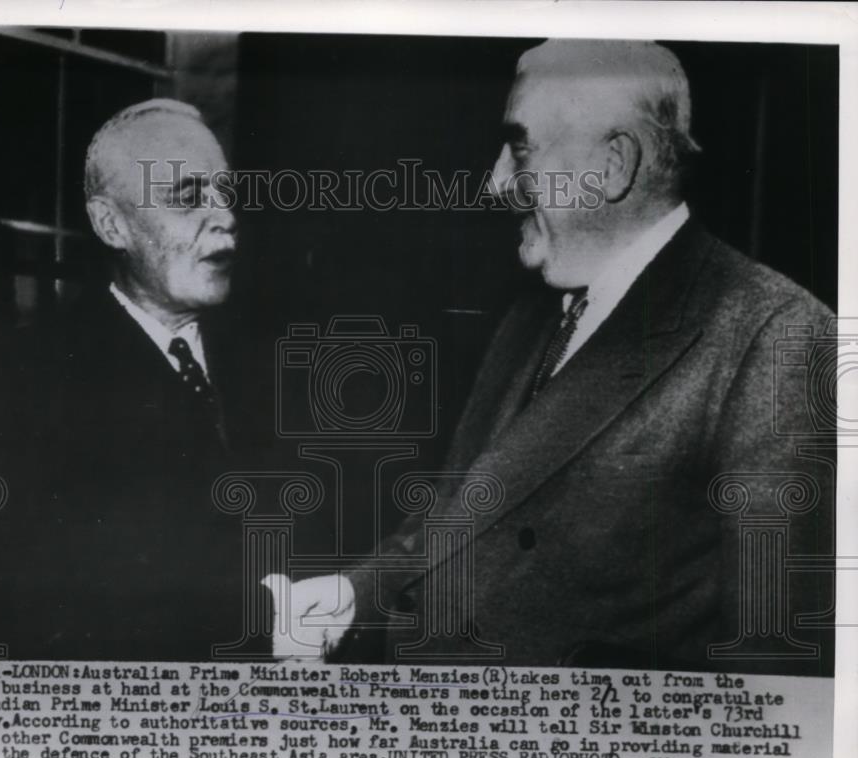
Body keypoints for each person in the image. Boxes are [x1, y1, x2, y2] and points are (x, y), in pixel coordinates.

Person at [276, 39, 835, 675]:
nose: (495, 183)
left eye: (519, 149)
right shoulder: (535, 313)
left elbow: (778, 679)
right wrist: (354, 595)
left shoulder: (778, 338)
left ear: (614, 163)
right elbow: (463, 515)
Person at [0, 99, 265, 661]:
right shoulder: (14, 378)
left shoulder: (268, 363)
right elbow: (15, 608)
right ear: (111, 224)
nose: (223, 215)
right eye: (187, 197)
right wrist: (264, 617)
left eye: (226, 194)